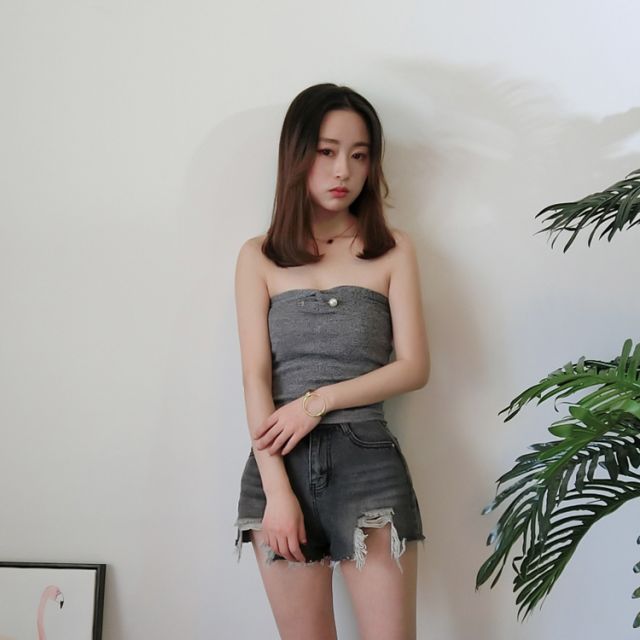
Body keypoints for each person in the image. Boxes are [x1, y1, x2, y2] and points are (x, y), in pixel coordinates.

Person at [232, 83, 430, 640]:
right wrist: (277, 492)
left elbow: (414, 366)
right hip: (277, 464)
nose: (344, 169)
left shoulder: (392, 249)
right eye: (327, 151)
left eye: (360, 155)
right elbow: (255, 378)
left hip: (367, 461)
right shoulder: (258, 257)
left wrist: (316, 403)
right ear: (297, 154)